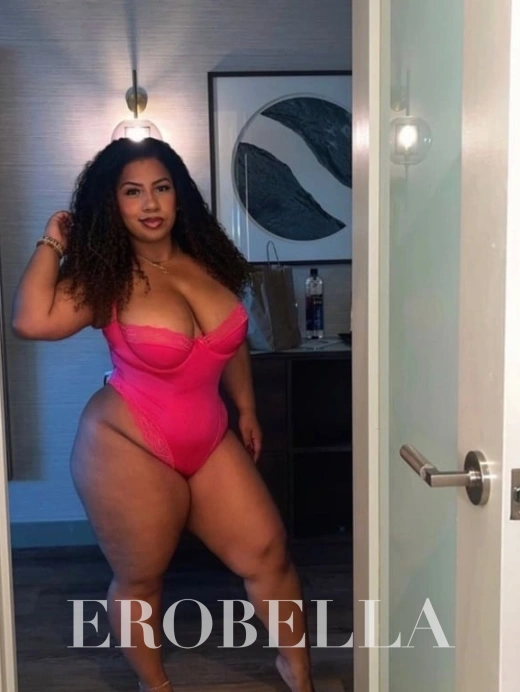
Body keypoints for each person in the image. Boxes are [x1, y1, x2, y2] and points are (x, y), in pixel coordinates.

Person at [12, 137, 316, 692]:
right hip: (125, 444)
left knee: (268, 553)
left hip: (209, 438)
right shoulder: (106, 276)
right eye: (132, 192)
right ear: (112, 203)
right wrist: (52, 240)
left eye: (161, 188)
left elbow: (230, 344)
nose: (150, 204)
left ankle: (298, 675)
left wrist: (246, 407)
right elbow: (31, 321)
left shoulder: (210, 260)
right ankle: (156, 686)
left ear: (180, 196)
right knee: (142, 579)